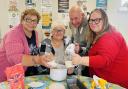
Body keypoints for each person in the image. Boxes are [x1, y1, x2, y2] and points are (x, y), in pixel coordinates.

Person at [72, 8, 128, 88]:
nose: (93, 23)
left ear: (105, 20)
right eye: (91, 20)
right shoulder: (98, 34)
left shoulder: (111, 36)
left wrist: (80, 60)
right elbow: (94, 52)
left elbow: (104, 60)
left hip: (115, 84)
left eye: (97, 20)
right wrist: (80, 49)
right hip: (102, 81)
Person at [0, 9, 53, 82]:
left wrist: (45, 56)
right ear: (22, 20)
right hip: (6, 75)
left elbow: (33, 51)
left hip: (20, 74)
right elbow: (15, 58)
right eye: (28, 19)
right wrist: (38, 60)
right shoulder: (14, 34)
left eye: (34, 21)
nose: (31, 23)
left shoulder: (35, 33)